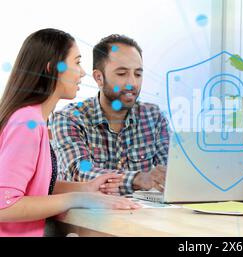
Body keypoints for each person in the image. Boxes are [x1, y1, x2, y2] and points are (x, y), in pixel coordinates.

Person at [0, 28, 140, 237]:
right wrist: (76, 198)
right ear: (52, 68)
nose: (82, 72)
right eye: (77, 62)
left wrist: (85, 188)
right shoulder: (26, 122)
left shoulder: (34, 119)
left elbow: (35, 186)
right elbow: (5, 205)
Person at [50, 34, 169, 195]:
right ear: (99, 77)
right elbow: (78, 173)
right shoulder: (69, 118)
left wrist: (165, 178)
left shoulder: (153, 116)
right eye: (122, 74)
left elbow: (167, 173)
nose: (132, 83)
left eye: (138, 74)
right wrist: (137, 178)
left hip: (142, 216)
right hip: (88, 218)